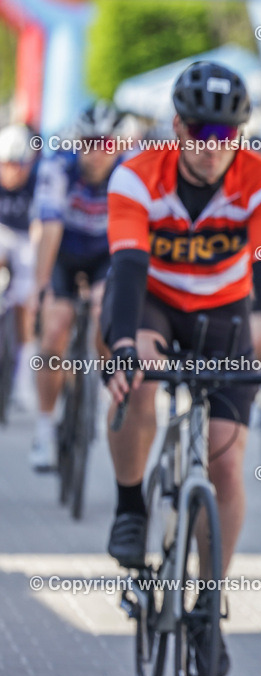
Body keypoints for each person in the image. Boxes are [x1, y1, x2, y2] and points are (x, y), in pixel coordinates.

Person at [102, 61, 261, 676]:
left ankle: (208, 602)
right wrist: (121, 343)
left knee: (224, 462)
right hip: (153, 303)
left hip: (224, 314)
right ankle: (129, 507)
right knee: (139, 374)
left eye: (227, 134)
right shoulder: (137, 175)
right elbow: (127, 268)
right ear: (177, 127)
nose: (212, 146)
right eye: (200, 131)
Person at [30, 103, 131, 470]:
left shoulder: (129, 170)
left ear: (119, 144)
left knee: (105, 314)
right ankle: (44, 427)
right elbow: (50, 228)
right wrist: (41, 287)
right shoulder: (59, 165)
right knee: (55, 330)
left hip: (106, 253)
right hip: (65, 252)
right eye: (88, 143)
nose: (96, 152)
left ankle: (104, 397)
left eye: (105, 143)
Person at [0, 124, 43, 423]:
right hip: (2, 234)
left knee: (25, 304)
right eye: (7, 164)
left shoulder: (39, 180)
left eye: (19, 164)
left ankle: (22, 381)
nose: (13, 171)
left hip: (28, 237)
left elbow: (45, 223)